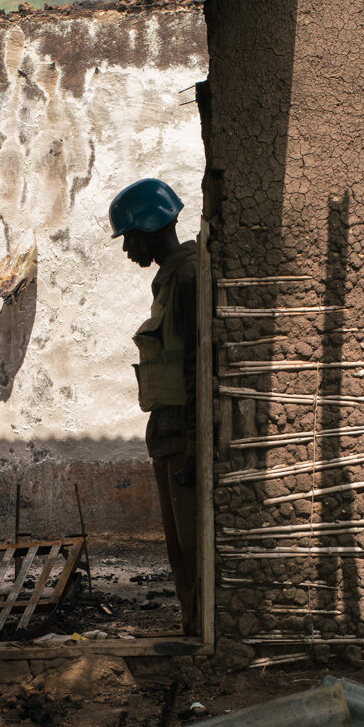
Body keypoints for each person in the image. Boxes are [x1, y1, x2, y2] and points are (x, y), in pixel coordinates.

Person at [110, 177, 200, 638]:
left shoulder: (187, 277)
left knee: (193, 543)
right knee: (179, 548)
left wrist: (196, 445)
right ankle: (191, 629)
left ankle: (204, 633)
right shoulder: (170, 279)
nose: (128, 249)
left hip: (184, 437)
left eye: (129, 237)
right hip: (167, 434)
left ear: (149, 229)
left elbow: (199, 366)